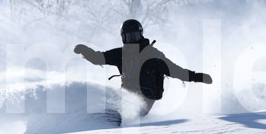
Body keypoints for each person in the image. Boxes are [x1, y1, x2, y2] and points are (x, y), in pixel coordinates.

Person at [74, 19, 213, 115]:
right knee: (104, 106)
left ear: (141, 35)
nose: (132, 40)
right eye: (128, 37)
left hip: (145, 99)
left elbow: (176, 71)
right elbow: (99, 58)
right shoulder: (121, 54)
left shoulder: (152, 55)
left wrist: (198, 77)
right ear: (123, 38)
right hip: (124, 96)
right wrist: (85, 51)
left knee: (125, 111)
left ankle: (118, 118)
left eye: (135, 36)